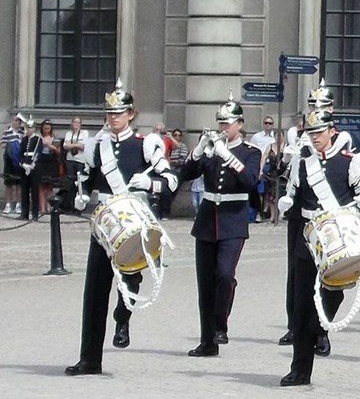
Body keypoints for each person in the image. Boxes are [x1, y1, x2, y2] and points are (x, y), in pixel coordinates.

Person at [66, 79, 179, 376]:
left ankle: (123, 316)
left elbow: (171, 181)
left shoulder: (146, 145)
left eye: (119, 113)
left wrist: (152, 182)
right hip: (104, 224)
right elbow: (86, 180)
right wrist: (77, 196)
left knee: (129, 282)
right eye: (110, 113)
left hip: (132, 224)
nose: (113, 118)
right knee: (94, 291)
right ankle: (89, 358)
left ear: (131, 114)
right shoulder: (96, 146)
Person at [276, 108, 360, 387]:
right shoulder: (302, 162)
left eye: (319, 132)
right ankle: (300, 369)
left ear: (332, 131)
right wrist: (287, 201)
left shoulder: (350, 161)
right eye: (311, 133)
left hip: (337, 239)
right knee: (302, 304)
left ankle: (320, 328)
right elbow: (292, 192)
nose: (315, 137)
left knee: (333, 293)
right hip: (308, 239)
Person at [178, 94, 261, 356]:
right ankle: (208, 342)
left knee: (225, 275)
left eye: (228, 123)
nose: (223, 127)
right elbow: (187, 174)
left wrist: (228, 156)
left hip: (233, 221)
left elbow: (250, 181)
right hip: (206, 222)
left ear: (240, 123)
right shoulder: (212, 149)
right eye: (221, 123)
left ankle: (220, 325)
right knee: (205, 283)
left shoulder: (251, 152)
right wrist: (199, 150)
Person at [278, 82, 352, 349]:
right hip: (300, 212)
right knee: (296, 272)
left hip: (327, 215)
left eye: (321, 106)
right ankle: (294, 326)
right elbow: (281, 172)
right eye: (312, 105)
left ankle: (321, 330)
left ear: (331, 109)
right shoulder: (297, 134)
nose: (315, 110)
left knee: (330, 272)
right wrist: (287, 158)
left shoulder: (340, 137)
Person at [63, 117, 91, 201]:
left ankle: (79, 204)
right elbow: (65, 146)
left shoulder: (84, 133)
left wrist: (71, 144)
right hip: (70, 160)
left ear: (80, 124)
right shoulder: (68, 133)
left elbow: (83, 146)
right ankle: (70, 203)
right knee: (70, 182)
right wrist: (77, 144)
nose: (76, 124)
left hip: (80, 161)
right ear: (71, 123)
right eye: (74, 122)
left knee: (80, 182)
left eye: (78, 122)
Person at [3, 114, 25, 216]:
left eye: (17, 121)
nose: (15, 123)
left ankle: (18, 204)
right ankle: (8, 204)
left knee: (18, 184)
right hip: (9, 160)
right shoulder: (7, 132)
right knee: (8, 183)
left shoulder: (22, 132)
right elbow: (2, 143)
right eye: (14, 121)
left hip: (19, 161)